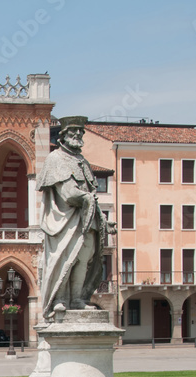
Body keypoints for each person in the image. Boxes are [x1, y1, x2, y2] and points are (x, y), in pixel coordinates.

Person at [36, 116, 114, 320]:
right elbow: (68, 193)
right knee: (66, 259)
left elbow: (92, 195)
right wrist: (86, 198)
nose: (78, 135)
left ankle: (78, 299)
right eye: (73, 132)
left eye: (81, 132)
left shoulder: (83, 162)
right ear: (63, 135)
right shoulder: (56, 159)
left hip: (87, 222)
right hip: (66, 223)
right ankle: (59, 299)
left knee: (83, 259)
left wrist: (105, 222)